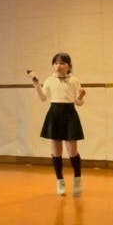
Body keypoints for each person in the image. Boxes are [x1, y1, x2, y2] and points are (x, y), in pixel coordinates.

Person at [28, 53, 87, 197]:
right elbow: (43, 98)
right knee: (56, 151)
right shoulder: (49, 80)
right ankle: (60, 181)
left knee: (73, 151)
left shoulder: (74, 80)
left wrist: (80, 96)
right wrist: (37, 85)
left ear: (69, 66)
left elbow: (78, 103)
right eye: (55, 63)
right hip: (54, 114)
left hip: (70, 114)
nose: (58, 66)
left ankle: (78, 180)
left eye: (62, 63)